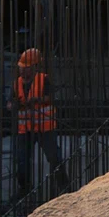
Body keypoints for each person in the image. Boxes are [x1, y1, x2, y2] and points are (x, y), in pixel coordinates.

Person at [10, 48, 70, 196]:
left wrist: (38, 100)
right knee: (22, 160)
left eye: (27, 68)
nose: (23, 71)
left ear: (35, 66)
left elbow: (51, 97)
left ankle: (64, 188)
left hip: (45, 127)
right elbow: (9, 103)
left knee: (54, 158)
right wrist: (14, 105)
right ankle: (24, 189)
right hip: (25, 129)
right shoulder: (17, 83)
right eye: (21, 68)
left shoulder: (44, 79)